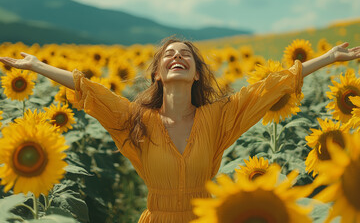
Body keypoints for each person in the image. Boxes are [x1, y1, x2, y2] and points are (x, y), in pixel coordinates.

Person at [0, 37, 359, 223]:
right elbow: (90, 93)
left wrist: (328, 58)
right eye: (169, 54)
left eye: (186, 54)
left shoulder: (219, 117)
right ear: (158, 73)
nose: (178, 57)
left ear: (196, 73)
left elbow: (269, 87)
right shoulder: (137, 119)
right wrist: (37, 66)